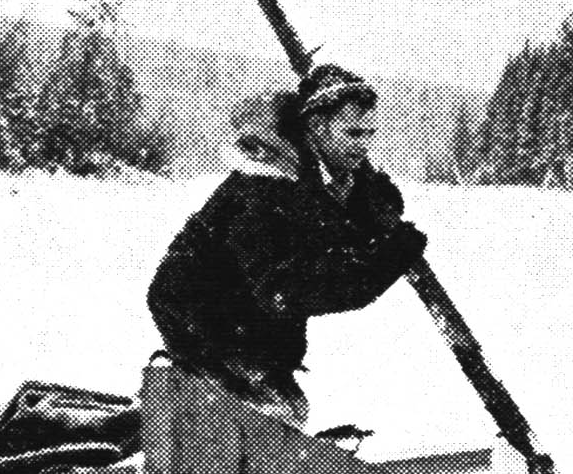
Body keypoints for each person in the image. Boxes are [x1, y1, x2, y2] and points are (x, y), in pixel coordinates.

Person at [147, 65, 427, 422]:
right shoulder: (263, 193)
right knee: (270, 423)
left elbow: (335, 225)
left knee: (287, 416)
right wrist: (387, 260)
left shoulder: (314, 173)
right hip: (210, 333)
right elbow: (290, 290)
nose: (364, 145)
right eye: (353, 134)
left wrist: (371, 201)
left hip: (252, 335)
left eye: (370, 134)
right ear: (316, 128)